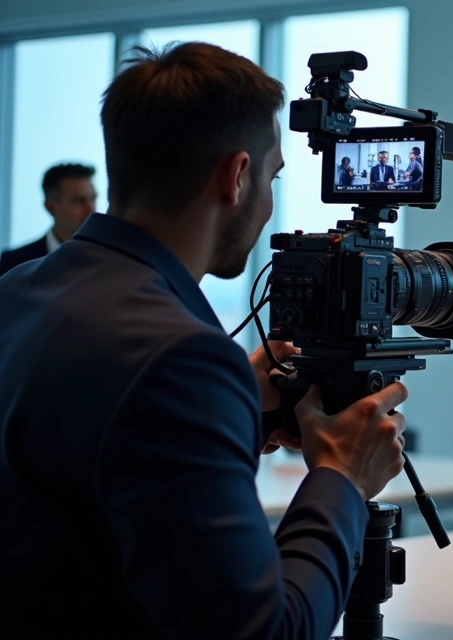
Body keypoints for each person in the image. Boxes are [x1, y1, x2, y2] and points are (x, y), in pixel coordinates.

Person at [0, 43, 409, 639]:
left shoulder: (16, 291)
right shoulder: (180, 358)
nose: (269, 204)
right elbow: (265, 632)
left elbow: (82, 488)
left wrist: (236, 402)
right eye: (270, 177)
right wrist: (342, 477)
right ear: (237, 175)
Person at [0, 162, 97, 277]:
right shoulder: (15, 263)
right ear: (51, 207)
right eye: (79, 201)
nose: (91, 210)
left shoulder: (106, 258)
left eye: (93, 198)